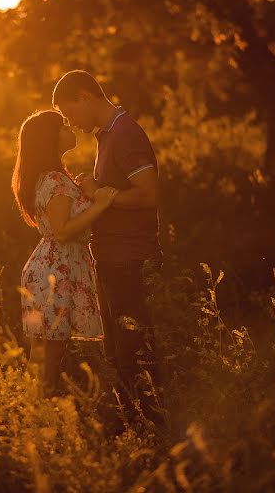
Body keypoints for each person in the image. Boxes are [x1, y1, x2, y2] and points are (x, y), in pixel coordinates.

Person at [51, 70, 163, 423]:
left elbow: (148, 195)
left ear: (85, 97)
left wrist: (98, 194)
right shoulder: (108, 136)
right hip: (113, 258)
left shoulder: (126, 134)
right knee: (119, 353)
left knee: (134, 352)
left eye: (70, 114)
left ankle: (150, 428)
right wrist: (96, 189)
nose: (72, 124)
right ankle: (134, 426)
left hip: (128, 259)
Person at [11, 109, 119, 396]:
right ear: (50, 139)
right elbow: (61, 230)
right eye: (62, 126)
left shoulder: (54, 177)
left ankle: (33, 412)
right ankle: (36, 417)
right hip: (54, 272)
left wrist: (86, 189)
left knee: (44, 353)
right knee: (48, 356)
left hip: (52, 266)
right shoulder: (55, 180)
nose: (69, 127)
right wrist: (100, 205)